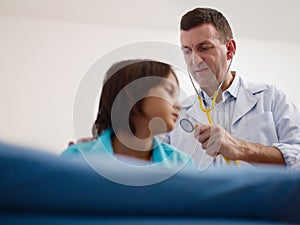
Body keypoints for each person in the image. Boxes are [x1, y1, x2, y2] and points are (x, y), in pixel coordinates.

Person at [166, 7, 300, 169]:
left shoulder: (270, 98)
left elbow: (297, 155)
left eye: (204, 48)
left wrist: (241, 149)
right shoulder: (178, 115)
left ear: (230, 49)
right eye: (187, 51)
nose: (195, 60)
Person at [62, 59, 192, 167]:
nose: (178, 106)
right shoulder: (75, 159)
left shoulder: (184, 166)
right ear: (133, 94)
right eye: (169, 91)